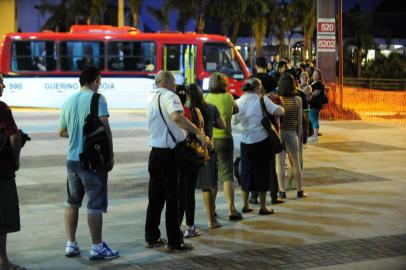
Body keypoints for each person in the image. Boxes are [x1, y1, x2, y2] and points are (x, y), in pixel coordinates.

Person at [58, 66, 119, 260]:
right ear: (95, 81)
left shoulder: (68, 101)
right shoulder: (97, 99)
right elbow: (105, 130)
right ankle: (97, 247)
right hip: (92, 161)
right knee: (94, 204)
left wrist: (77, 134)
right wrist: (110, 156)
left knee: (72, 202)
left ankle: (71, 244)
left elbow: (62, 131)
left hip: (72, 161)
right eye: (99, 81)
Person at [145, 70, 206, 251]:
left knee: (155, 198)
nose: (175, 86)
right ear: (166, 83)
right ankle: (175, 241)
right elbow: (176, 117)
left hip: (155, 153)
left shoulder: (151, 98)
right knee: (174, 199)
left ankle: (152, 236)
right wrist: (196, 130)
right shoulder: (170, 96)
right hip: (169, 155)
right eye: (173, 82)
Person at [233, 78, 284, 215]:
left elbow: (234, 121)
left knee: (246, 172)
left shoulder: (239, 101)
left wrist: (244, 126)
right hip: (261, 140)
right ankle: (263, 207)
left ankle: (245, 205)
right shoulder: (262, 100)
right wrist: (282, 107)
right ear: (258, 88)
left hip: (245, 141)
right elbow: (278, 111)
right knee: (262, 173)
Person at [205, 72, 242, 221]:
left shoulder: (206, 98)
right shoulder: (229, 97)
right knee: (227, 174)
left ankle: (212, 210)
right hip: (226, 139)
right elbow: (236, 110)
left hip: (211, 141)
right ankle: (231, 209)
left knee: (212, 175)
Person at [190, 84, 226, 229]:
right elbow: (222, 125)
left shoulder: (187, 111)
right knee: (207, 186)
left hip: (188, 151)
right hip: (205, 151)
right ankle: (211, 220)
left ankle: (189, 223)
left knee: (188, 188)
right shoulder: (210, 108)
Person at [0, 75, 27, 270]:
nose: (3, 85)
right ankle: (3, 261)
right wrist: (16, 160)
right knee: (2, 216)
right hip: (1, 171)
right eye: (0, 81)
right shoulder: (2, 108)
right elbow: (14, 137)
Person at [177, 84, 205, 238]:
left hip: (177, 154)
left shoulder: (175, 113)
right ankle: (190, 226)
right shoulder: (195, 111)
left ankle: (176, 226)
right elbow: (201, 129)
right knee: (189, 192)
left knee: (179, 191)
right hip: (193, 154)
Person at [276, 73, 307, 199]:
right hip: (292, 133)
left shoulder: (278, 100)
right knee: (295, 163)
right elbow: (299, 122)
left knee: (280, 164)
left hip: (279, 134)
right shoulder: (298, 100)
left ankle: (282, 191)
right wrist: (299, 138)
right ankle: (299, 190)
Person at [308, 69, 325, 143]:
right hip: (312, 104)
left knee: (314, 119)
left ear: (319, 76)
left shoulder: (319, 84)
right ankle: (314, 135)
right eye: (314, 74)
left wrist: (308, 95)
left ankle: (315, 136)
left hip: (315, 104)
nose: (315, 76)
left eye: (317, 75)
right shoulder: (312, 82)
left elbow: (314, 94)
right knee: (312, 119)